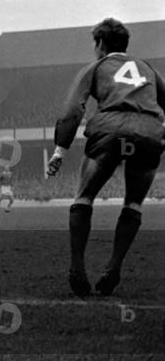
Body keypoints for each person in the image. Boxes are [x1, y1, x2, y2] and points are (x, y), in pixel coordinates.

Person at [46, 18, 165, 297]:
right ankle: (113, 267)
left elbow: (73, 108)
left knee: (84, 196)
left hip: (110, 130)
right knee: (133, 202)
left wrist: (60, 149)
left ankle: (77, 268)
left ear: (99, 44)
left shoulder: (96, 67)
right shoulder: (148, 69)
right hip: (148, 132)